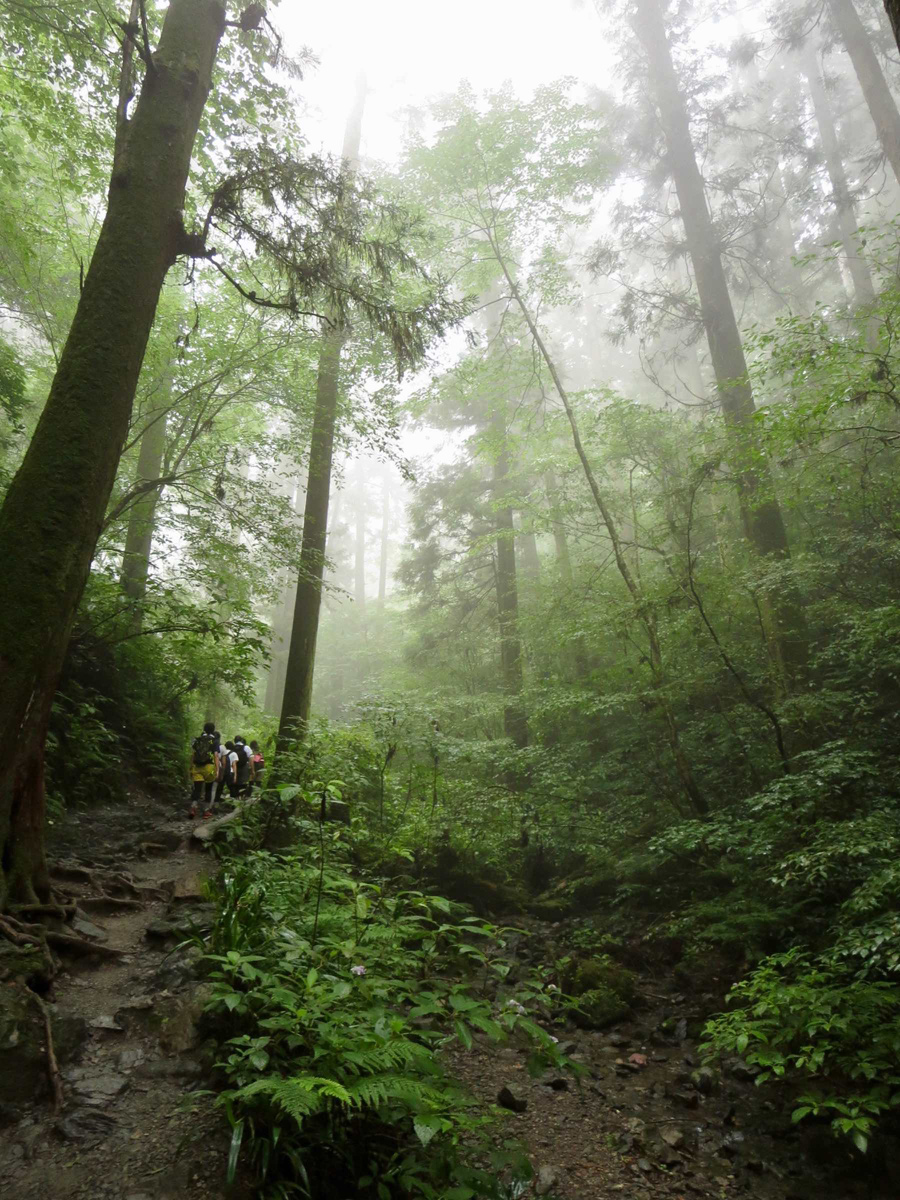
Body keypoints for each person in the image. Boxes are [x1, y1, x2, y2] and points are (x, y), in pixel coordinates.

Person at [189, 721, 218, 819]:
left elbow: (193, 754)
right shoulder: (215, 741)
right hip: (209, 768)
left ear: (204, 729)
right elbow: (216, 756)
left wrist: (190, 767)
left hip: (197, 767)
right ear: (213, 730)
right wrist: (217, 770)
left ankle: (193, 807)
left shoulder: (198, 740)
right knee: (208, 789)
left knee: (197, 789)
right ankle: (206, 812)